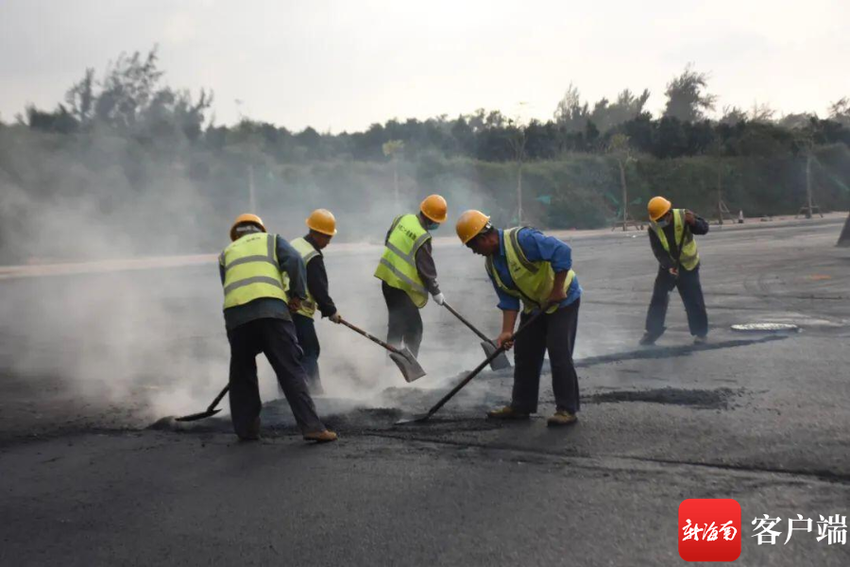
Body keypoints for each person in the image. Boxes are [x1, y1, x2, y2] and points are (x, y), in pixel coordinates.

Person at [455, 210, 582, 426]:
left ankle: (566, 409)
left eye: (473, 246)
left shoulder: (522, 240)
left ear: (484, 238)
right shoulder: (492, 264)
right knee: (525, 353)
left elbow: (562, 251)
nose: (474, 252)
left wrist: (558, 289)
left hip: (563, 300)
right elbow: (508, 300)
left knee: (558, 351)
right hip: (535, 305)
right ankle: (521, 406)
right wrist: (506, 331)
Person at [219, 213, 336, 443]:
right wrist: (297, 295)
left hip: (236, 316)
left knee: (242, 374)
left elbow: (227, 284)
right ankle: (312, 427)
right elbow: (294, 261)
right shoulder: (271, 240)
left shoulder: (226, 253)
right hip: (272, 311)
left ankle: (247, 430)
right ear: (259, 229)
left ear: (236, 234)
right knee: (289, 368)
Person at [373, 194, 448, 357]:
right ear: (432, 220)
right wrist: (436, 292)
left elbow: (388, 240)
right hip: (402, 287)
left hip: (387, 281)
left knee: (395, 326)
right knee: (414, 329)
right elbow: (425, 268)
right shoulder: (422, 236)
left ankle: (391, 365)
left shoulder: (401, 219)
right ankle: (409, 365)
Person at [640, 196, 710, 346]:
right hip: (668, 268)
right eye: (657, 219)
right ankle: (652, 331)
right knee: (659, 297)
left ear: (668, 213)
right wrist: (669, 265)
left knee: (694, 300)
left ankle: (701, 333)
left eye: (661, 219)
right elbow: (658, 250)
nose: (659, 222)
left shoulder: (685, 215)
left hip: (689, 266)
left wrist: (694, 223)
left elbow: (704, 228)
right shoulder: (653, 227)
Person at [288, 209, 342, 395]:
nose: (328, 241)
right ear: (316, 233)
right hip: (299, 311)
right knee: (310, 350)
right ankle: (316, 393)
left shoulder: (295, 244)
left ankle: (286, 396)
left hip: (280, 308)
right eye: (327, 237)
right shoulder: (313, 257)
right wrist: (331, 311)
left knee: (288, 355)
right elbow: (318, 288)